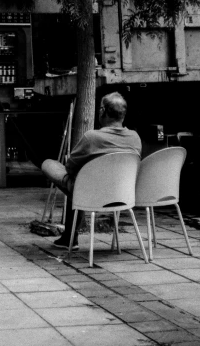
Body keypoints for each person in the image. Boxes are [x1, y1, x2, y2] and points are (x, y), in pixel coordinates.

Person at [42, 92, 142, 249]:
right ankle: (69, 237)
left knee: (49, 164)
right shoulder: (135, 138)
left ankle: (70, 238)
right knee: (81, 182)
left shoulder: (92, 137)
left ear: (102, 111)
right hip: (123, 195)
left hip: (91, 194)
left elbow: (69, 167)